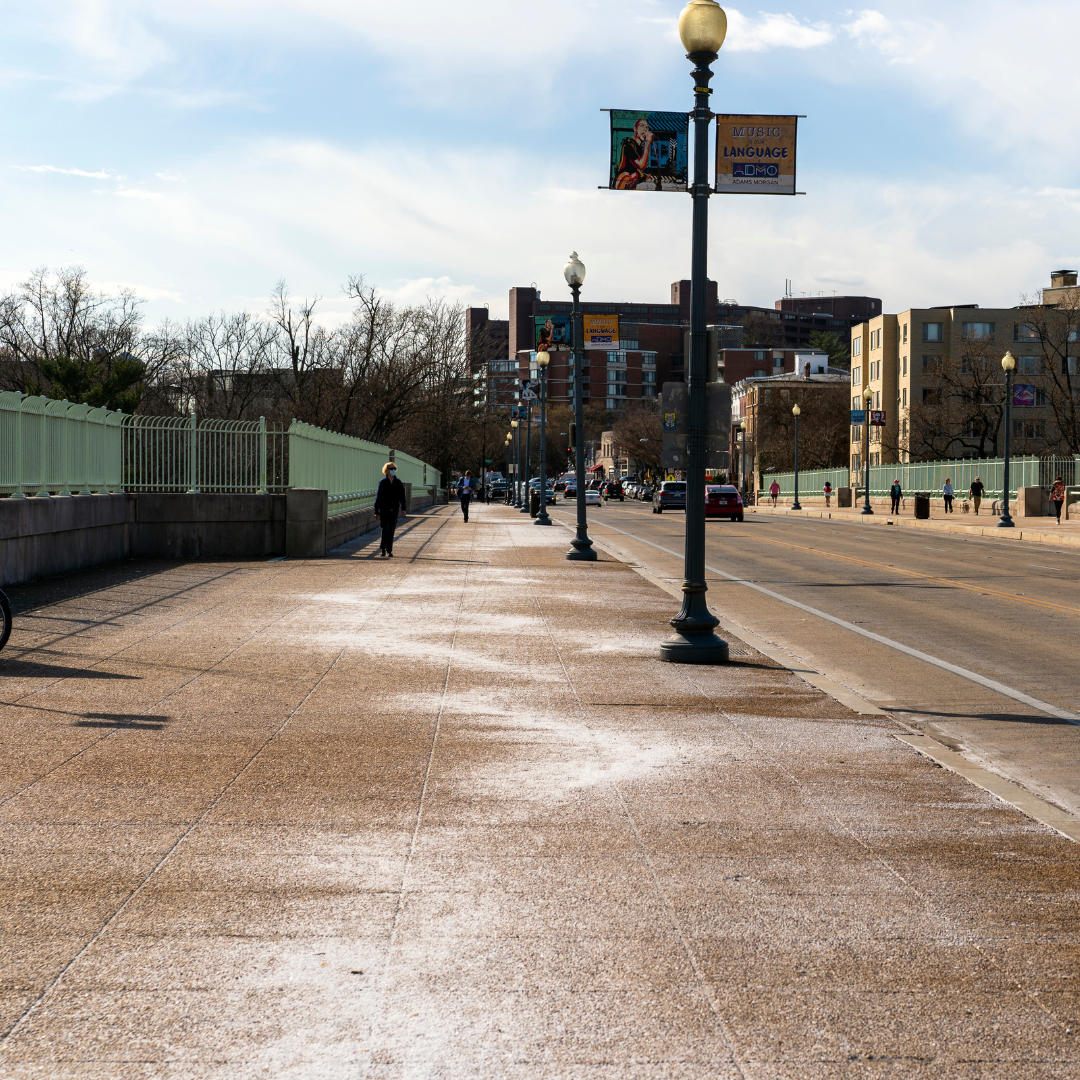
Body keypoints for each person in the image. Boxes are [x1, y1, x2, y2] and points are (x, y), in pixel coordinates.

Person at [373, 461, 407, 556]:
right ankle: (383, 549)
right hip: (384, 509)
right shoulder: (383, 483)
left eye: (394, 469)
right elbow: (378, 497)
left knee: (391, 530)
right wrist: (376, 511)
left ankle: (389, 550)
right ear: (386, 470)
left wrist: (403, 508)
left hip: (394, 509)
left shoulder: (398, 482)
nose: (393, 471)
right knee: (385, 529)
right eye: (391, 469)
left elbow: (402, 497)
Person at [614, 118, 655, 189]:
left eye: (646, 127)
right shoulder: (629, 144)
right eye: (642, 126)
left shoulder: (638, 146)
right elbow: (641, 165)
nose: (645, 129)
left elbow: (640, 167)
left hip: (630, 182)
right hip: (622, 181)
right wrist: (647, 142)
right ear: (635, 129)